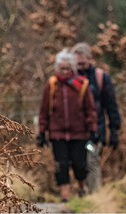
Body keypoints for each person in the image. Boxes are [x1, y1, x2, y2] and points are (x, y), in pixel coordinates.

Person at [37, 49, 97, 202]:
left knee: (79, 165)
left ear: (73, 69)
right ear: (57, 69)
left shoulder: (81, 85)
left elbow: (89, 109)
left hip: (79, 133)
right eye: (61, 68)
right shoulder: (52, 85)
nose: (64, 71)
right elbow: (44, 110)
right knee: (61, 165)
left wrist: (93, 129)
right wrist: (42, 131)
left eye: (67, 68)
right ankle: (65, 197)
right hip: (57, 133)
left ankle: (82, 186)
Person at [72, 42, 122, 192]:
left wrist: (114, 130)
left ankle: (96, 197)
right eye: (77, 63)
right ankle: (82, 191)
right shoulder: (69, 79)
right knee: (78, 164)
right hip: (75, 131)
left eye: (82, 63)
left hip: (96, 130)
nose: (80, 66)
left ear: (90, 59)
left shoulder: (101, 78)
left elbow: (111, 106)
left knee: (91, 161)